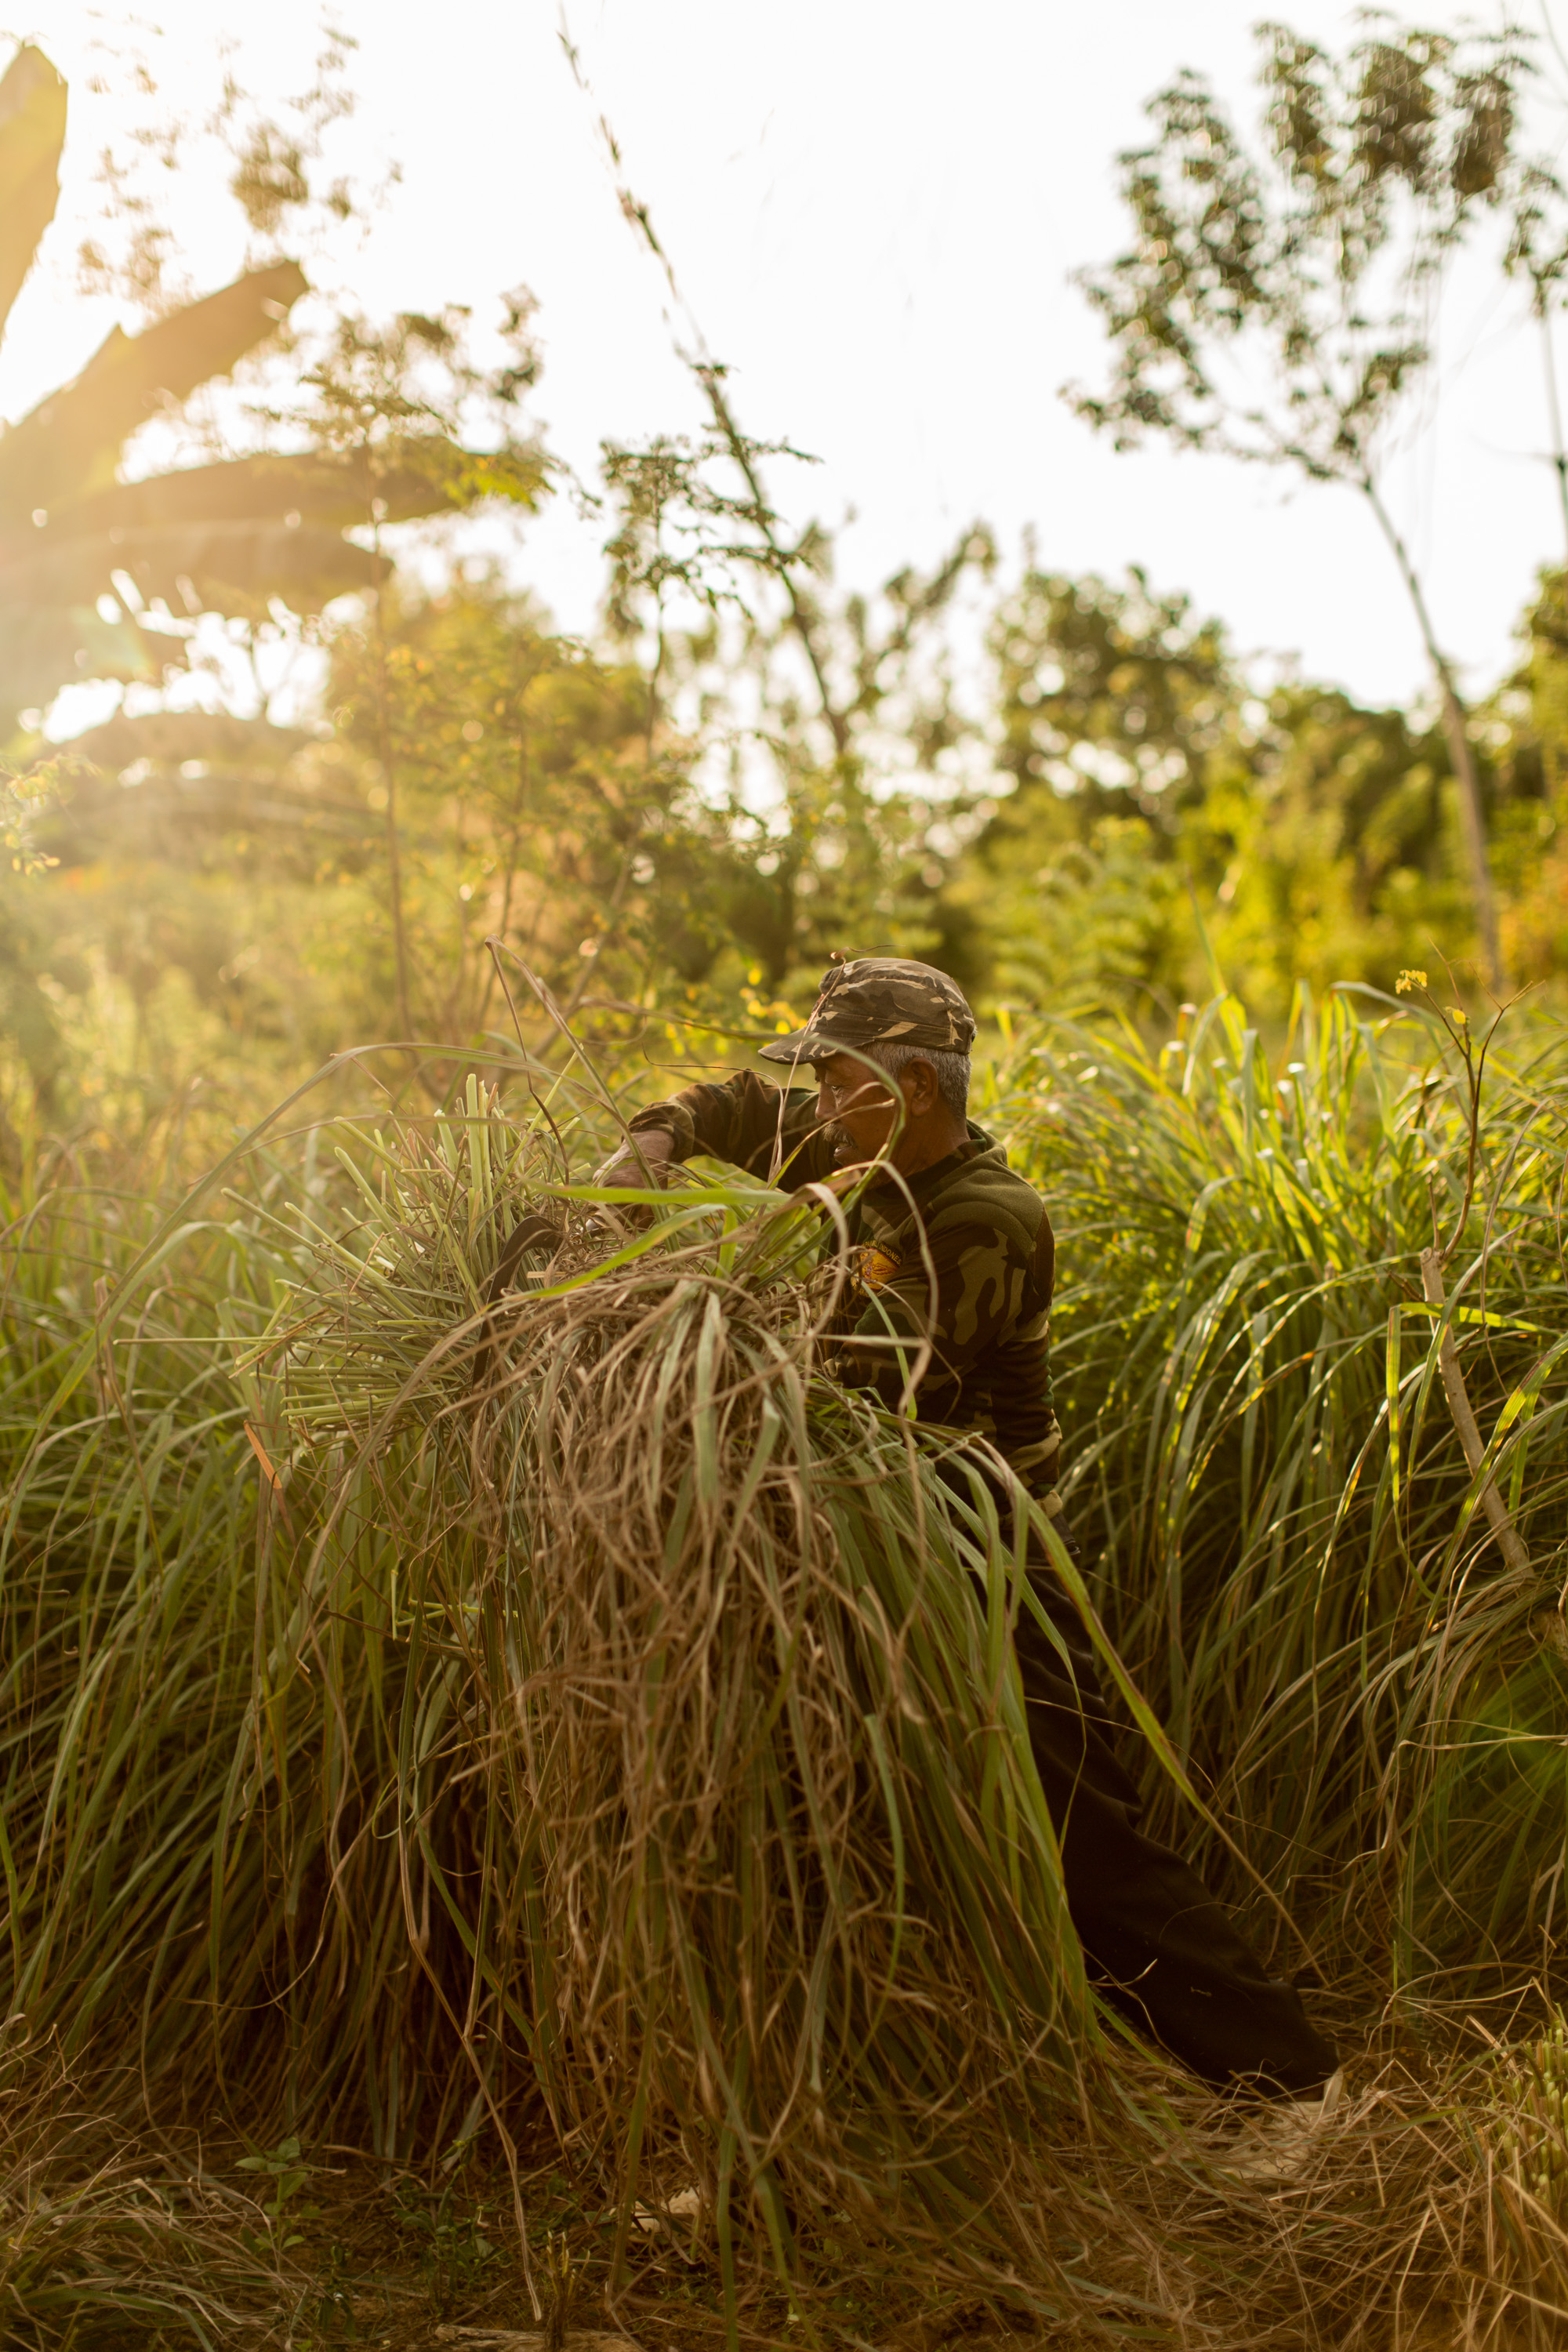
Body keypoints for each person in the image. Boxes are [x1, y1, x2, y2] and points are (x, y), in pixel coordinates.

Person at [598, 954, 1341, 2172]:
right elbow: (739, 1106)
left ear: (910, 1086)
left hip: (985, 1561)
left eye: (836, 1080)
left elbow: (860, 1394)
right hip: (867, 1557)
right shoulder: (869, 1141)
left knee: (1081, 1849)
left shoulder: (984, 1219)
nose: (816, 1106)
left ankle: (1293, 2090)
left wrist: (662, 1312)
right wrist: (652, 1142)